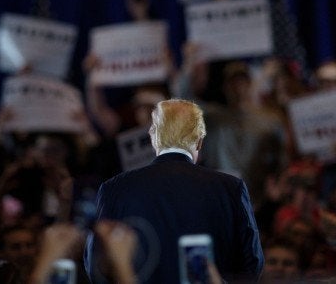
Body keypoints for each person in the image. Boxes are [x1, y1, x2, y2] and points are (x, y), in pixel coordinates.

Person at [85, 99, 264, 283]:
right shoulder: (231, 188)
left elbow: (96, 265)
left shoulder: (114, 189)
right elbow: (251, 265)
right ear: (200, 141)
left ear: (153, 136)